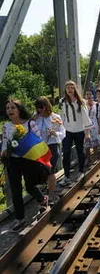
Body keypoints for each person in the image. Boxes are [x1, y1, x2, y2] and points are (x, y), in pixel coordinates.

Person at [1, 99, 49, 231]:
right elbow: (5, 142)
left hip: (28, 159)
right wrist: (4, 151)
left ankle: (41, 198)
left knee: (29, 185)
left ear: (19, 109)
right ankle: (20, 218)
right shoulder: (6, 126)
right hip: (13, 160)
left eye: (12, 108)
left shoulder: (30, 123)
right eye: (8, 108)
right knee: (15, 189)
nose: (10, 110)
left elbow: (39, 139)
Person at [58, 80, 92, 186]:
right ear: (65, 89)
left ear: (75, 89)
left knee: (80, 151)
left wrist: (87, 133)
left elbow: (85, 117)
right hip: (67, 131)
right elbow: (61, 116)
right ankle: (67, 176)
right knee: (66, 152)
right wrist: (59, 129)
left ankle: (81, 171)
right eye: (68, 87)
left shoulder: (80, 101)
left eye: (72, 87)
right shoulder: (62, 102)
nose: (70, 90)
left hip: (79, 130)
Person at [34, 97, 66, 204]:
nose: (40, 109)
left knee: (50, 171)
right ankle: (44, 195)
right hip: (39, 147)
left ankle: (51, 194)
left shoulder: (55, 117)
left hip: (52, 146)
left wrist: (55, 134)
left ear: (47, 106)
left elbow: (63, 132)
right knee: (41, 172)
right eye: (38, 107)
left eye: (42, 107)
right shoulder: (35, 118)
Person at [84, 91, 100, 163]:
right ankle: (88, 158)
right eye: (87, 94)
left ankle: (95, 157)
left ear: (93, 95)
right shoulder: (83, 105)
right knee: (86, 144)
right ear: (85, 96)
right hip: (86, 126)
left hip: (94, 125)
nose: (88, 96)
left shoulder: (97, 105)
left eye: (90, 94)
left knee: (95, 142)